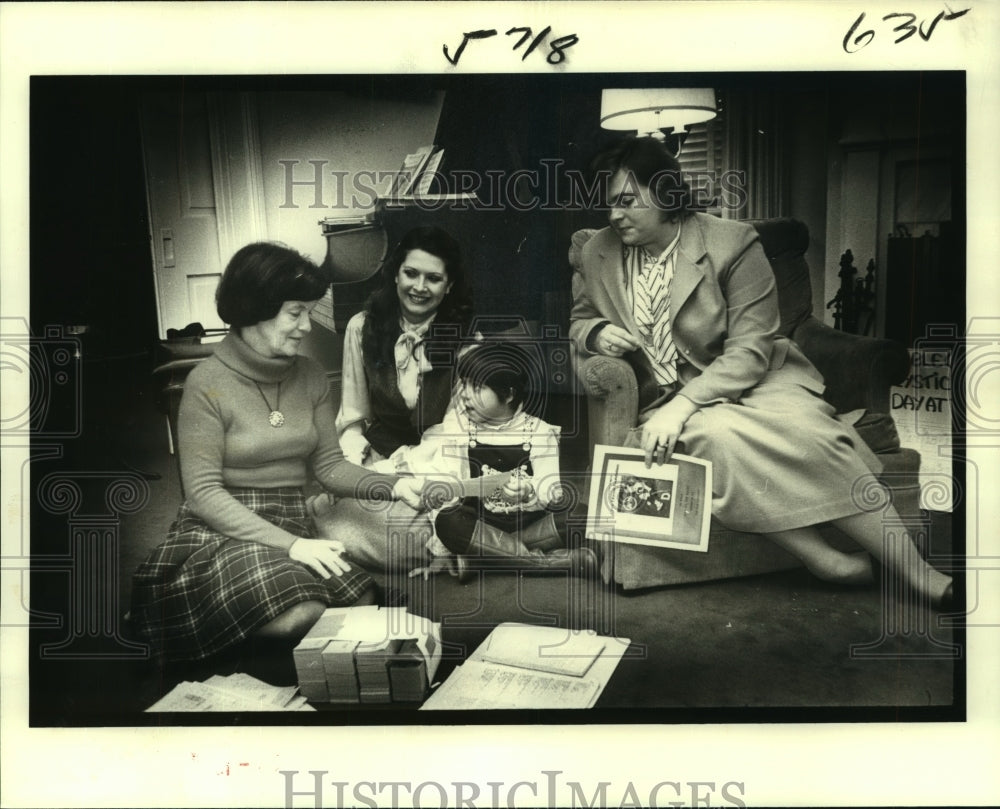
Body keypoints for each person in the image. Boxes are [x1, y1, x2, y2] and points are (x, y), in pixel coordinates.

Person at [569, 136, 953, 608]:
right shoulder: (597, 253)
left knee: (811, 432)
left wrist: (685, 407)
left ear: (666, 194)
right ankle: (825, 560)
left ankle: (915, 571)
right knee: (716, 437)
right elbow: (580, 317)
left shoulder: (731, 242)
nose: (613, 215)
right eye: (608, 204)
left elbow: (751, 348)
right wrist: (595, 333)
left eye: (626, 202)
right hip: (667, 398)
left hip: (754, 379)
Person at [130, 242, 424, 663]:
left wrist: (396, 487)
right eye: (296, 312)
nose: (306, 326)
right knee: (302, 612)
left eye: (309, 311)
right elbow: (203, 494)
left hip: (290, 510)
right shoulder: (205, 383)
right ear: (255, 309)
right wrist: (291, 547)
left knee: (362, 598)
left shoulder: (309, 375)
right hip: (225, 521)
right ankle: (202, 625)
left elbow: (330, 467)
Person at [406, 340, 598, 580]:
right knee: (448, 520)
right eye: (463, 383)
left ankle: (484, 560)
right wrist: (443, 553)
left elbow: (550, 490)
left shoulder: (538, 431)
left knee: (583, 517)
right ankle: (548, 563)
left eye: (476, 387)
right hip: (481, 526)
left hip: (529, 525)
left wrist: (528, 491)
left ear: (508, 394)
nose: (464, 394)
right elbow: (447, 485)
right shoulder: (458, 428)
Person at [336, 225, 474, 472]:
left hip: (440, 460)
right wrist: (352, 468)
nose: (420, 287)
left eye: (433, 278)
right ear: (396, 275)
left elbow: (456, 431)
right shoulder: (360, 327)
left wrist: (407, 466)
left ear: (449, 285)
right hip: (380, 455)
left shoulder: (469, 342)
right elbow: (353, 417)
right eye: (411, 273)